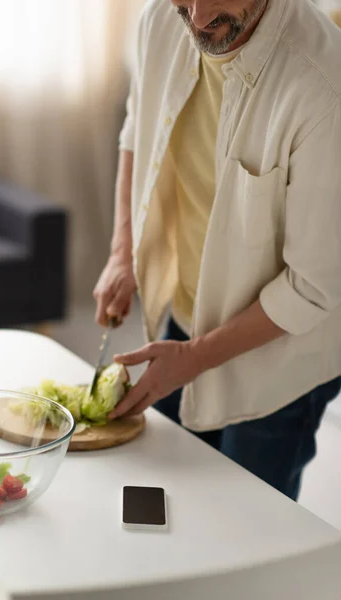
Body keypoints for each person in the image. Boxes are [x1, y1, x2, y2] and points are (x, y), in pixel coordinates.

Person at [93, 0, 341, 501]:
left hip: (283, 355)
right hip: (186, 320)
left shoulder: (323, 84)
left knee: (244, 532)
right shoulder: (160, 18)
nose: (200, 18)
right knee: (167, 502)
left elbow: (313, 287)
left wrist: (194, 357)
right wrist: (124, 251)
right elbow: (137, 129)